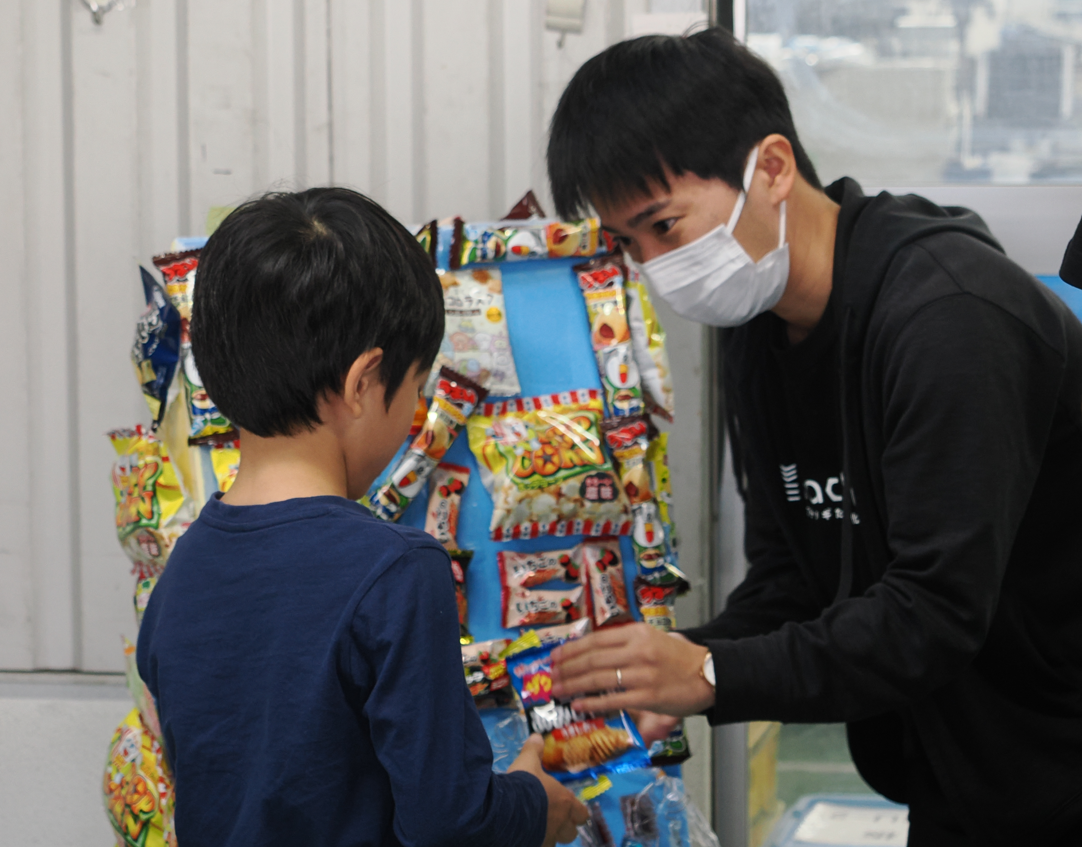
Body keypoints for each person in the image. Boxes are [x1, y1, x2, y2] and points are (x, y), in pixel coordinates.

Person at [545, 28, 1082, 847]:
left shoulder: (948, 317)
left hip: (1052, 749)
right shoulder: (759, 328)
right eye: (629, 244)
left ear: (771, 169)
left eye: (664, 226)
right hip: (959, 763)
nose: (654, 266)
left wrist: (712, 673)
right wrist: (666, 666)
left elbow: (932, 613)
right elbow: (792, 582)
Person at [136, 188, 587, 847]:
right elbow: (451, 825)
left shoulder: (182, 573)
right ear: (364, 382)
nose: (412, 417)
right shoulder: (396, 571)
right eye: (414, 388)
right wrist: (531, 806)